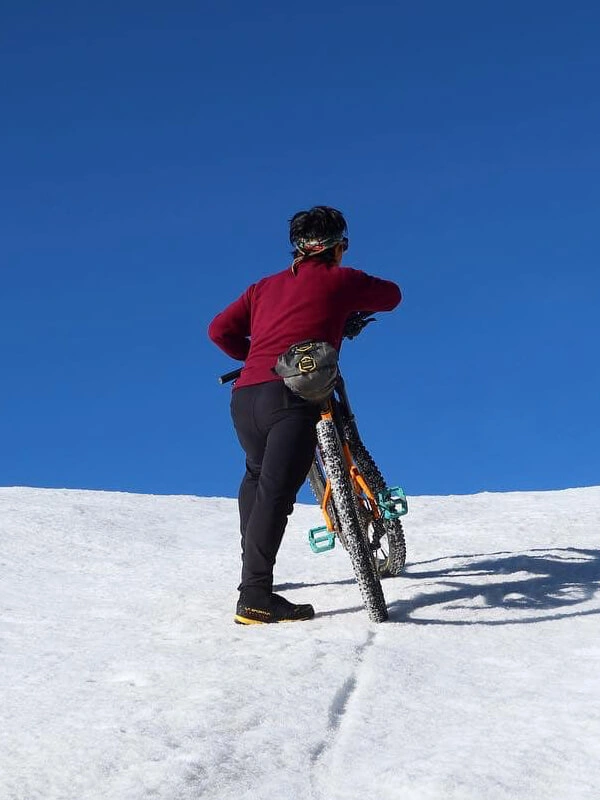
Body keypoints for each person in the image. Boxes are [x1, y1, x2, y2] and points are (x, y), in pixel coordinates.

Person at [208, 206, 401, 624]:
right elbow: (392, 296)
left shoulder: (262, 288)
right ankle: (254, 596)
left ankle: (252, 570)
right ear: (338, 247)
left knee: (257, 476)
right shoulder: (341, 280)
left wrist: (257, 357)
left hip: (245, 398)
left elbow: (218, 330)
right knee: (276, 494)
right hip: (292, 399)